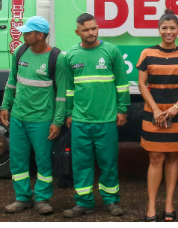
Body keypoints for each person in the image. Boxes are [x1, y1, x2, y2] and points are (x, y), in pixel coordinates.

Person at [63, 13, 130, 218]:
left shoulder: (111, 51)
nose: (91, 32)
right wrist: (69, 112)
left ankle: (111, 201)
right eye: (86, 29)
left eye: (93, 28)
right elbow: (69, 88)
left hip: (106, 119)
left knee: (108, 162)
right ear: (77, 32)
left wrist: (122, 109)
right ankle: (84, 202)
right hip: (81, 121)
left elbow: (121, 83)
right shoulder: (71, 55)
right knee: (81, 163)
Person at [0, 16, 66, 215]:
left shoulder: (57, 58)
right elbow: (12, 80)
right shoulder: (20, 52)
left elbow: (62, 93)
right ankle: (22, 198)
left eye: (28, 32)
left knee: (43, 161)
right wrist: (5, 105)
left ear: (40, 35)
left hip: (42, 120)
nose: (24, 35)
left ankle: (43, 199)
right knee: (18, 160)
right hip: (18, 118)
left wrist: (57, 121)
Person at [137, 9, 178, 222]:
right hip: (153, 110)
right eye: (165, 28)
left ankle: (169, 203)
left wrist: (176, 107)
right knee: (155, 157)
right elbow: (142, 84)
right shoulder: (147, 53)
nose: (168, 32)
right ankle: (151, 204)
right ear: (159, 30)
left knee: (173, 156)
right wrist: (155, 108)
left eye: (172, 28)